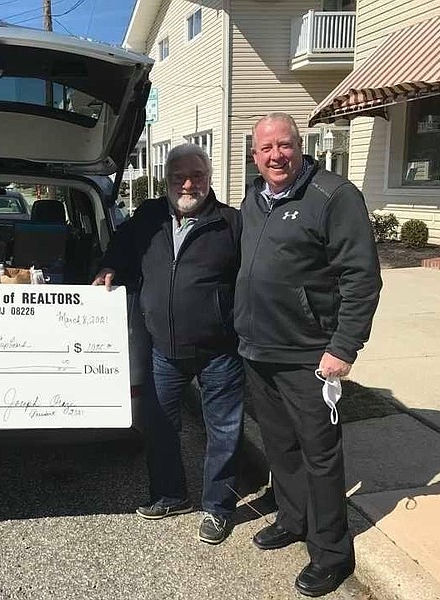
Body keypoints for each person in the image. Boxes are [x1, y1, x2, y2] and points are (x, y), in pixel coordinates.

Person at [236, 112, 382, 597]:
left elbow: (361, 277)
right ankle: (293, 520)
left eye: (285, 146)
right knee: (281, 448)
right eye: (266, 149)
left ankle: (332, 554)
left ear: (301, 146)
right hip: (260, 350)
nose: (276, 156)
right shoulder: (254, 199)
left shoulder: (333, 196)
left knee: (320, 456)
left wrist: (343, 346)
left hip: (308, 356)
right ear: (254, 156)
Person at [94, 143, 244, 545]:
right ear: (167, 181)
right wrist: (109, 267)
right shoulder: (149, 217)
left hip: (219, 351)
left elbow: (252, 281)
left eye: (196, 176)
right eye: (178, 177)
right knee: (159, 426)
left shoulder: (231, 223)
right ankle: (170, 495)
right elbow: (122, 247)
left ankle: (218, 508)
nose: (188, 184)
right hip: (163, 348)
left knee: (224, 432)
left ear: (209, 179)